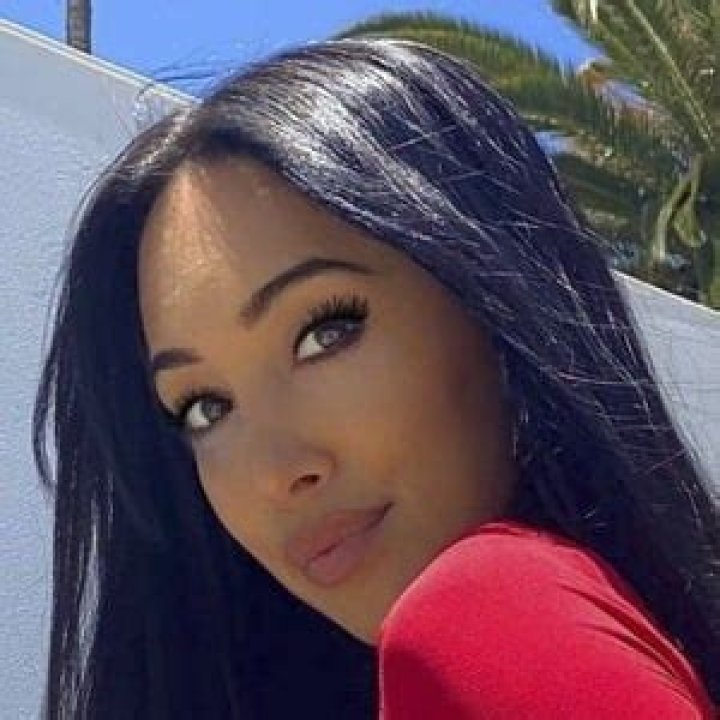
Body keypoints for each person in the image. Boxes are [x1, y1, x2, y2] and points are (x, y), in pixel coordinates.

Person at [33, 38, 719, 719]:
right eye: (204, 408)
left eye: (324, 332)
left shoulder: (485, 613)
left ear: (497, 304)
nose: (273, 472)